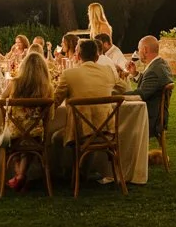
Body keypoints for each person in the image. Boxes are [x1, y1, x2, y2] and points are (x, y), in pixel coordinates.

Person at [52, 39, 127, 184]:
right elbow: (123, 89)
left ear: (78, 56)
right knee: (92, 128)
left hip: (80, 133)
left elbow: (55, 102)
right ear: (97, 57)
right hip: (107, 131)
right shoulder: (108, 71)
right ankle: (82, 173)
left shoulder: (69, 74)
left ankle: (65, 175)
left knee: (56, 137)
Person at [1, 52, 54, 192]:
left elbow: (1, 99)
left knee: (19, 143)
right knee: (28, 141)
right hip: (36, 135)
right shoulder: (47, 87)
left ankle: (19, 176)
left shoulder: (15, 83)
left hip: (13, 134)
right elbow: (50, 114)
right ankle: (21, 177)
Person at [126, 35, 174, 140]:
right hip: (157, 115)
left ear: (145, 50)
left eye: (139, 49)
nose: (138, 53)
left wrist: (117, 95)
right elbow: (150, 84)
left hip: (151, 119)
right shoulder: (161, 64)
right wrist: (135, 74)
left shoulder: (153, 71)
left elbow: (140, 95)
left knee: (118, 121)